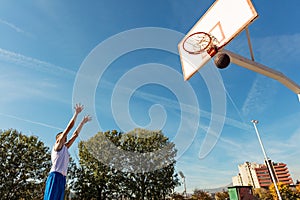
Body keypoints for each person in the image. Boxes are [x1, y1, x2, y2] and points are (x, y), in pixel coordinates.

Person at [44, 103, 91, 200]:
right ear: (57, 139)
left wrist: (82, 122)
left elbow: (75, 135)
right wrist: (76, 113)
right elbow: (69, 128)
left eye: (64, 136)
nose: (64, 137)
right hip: (55, 176)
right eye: (61, 136)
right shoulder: (57, 146)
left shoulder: (65, 147)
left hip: (62, 178)